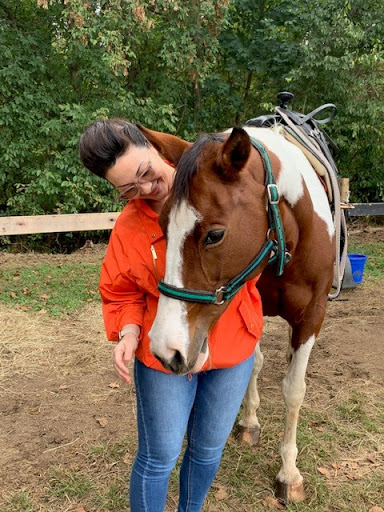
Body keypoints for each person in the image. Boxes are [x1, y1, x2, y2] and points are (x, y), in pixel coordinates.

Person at [79, 119, 264, 512]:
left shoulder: (223, 190)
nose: (145, 189)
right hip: (163, 351)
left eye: (145, 173)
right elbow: (120, 289)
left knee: (208, 450)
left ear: (156, 149)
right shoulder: (130, 226)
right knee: (159, 455)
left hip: (232, 345)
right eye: (129, 188)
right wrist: (128, 332)